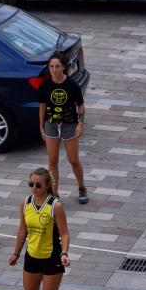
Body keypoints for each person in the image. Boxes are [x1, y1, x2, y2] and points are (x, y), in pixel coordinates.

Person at [9, 167, 71, 290]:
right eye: (31, 184)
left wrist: (64, 253)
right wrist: (16, 253)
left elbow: (65, 233)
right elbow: (22, 230)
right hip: (32, 256)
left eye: (38, 185)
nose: (34, 188)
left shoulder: (55, 206)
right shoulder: (25, 203)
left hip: (52, 257)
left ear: (48, 185)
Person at [38, 51, 87, 204]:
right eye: (51, 66)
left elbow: (81, 105)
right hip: (51, 124)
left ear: (64, 67)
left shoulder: (71, 85)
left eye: (57, 66)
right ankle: (54, 193)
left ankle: (81, 187)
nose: (54, 69)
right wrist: (41, 126)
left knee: (73, 160)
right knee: (52, 161)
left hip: (69, 124)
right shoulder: (45, 84)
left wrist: (80, 123)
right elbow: (42, 106)